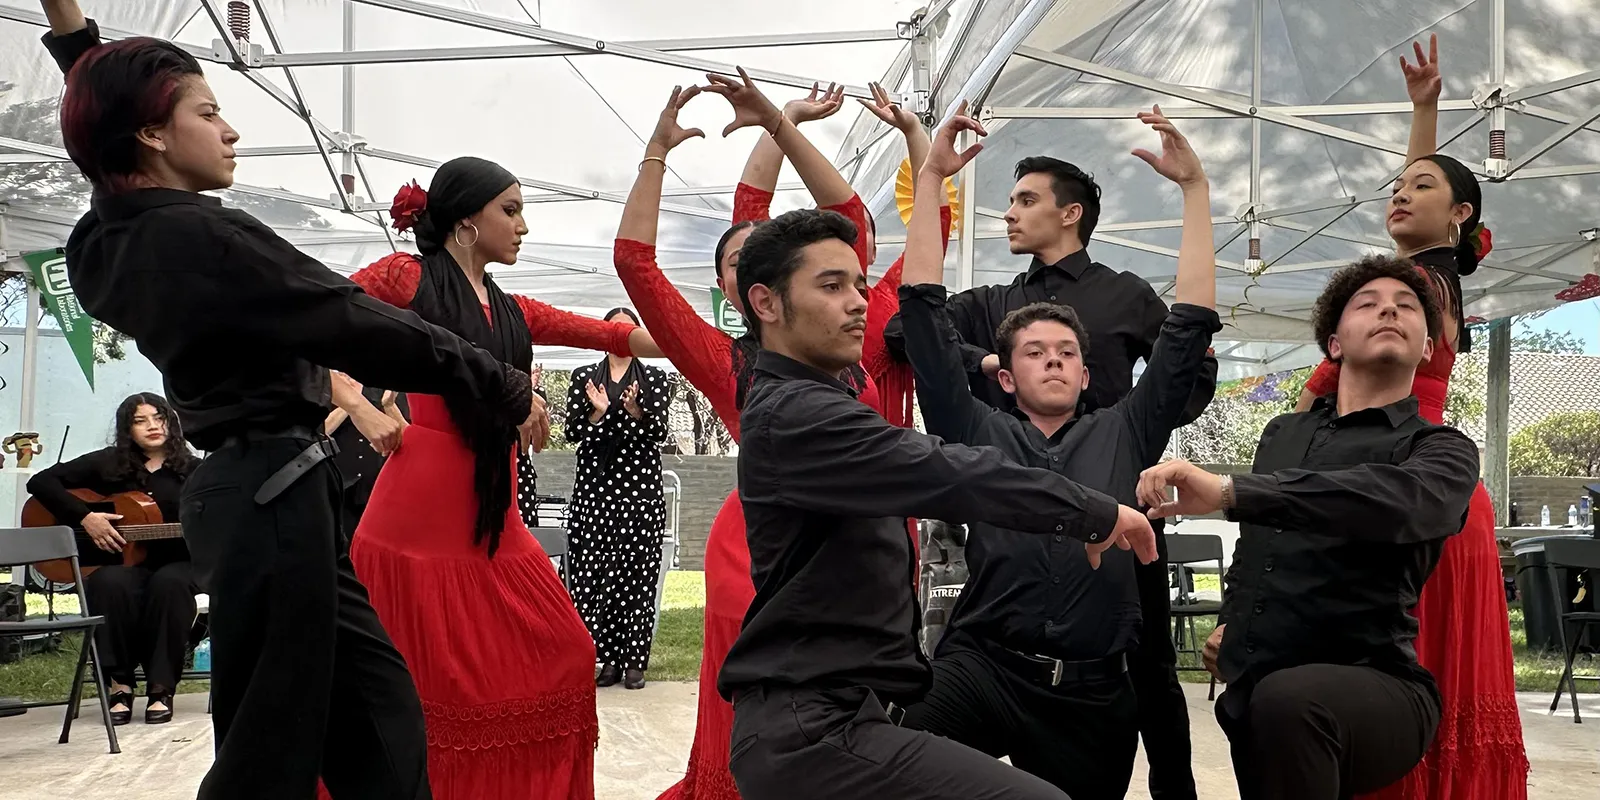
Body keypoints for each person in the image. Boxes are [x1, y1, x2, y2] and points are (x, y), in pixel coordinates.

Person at [39, 3, 536, 798]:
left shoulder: (104, 240)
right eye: (209, 111)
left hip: (267, 492)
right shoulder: (210, 241)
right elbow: (359, 322)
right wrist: (498, 380)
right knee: (270, 750)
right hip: (273, 497)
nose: (231, 129)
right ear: (152, 135)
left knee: (376, 720)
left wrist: (75, 43)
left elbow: (110, 128)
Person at [722, 195, 1161, 800]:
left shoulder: (820, 401)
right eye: (831, 286)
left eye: (858, 283)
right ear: (765, 302)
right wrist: (1094, 510)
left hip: (850, 712)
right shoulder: (799, 414)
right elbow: (951, 473)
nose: (856, 303)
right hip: (811, 729)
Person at [615, 81, 946, 800]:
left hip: (877, 551)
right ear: (747, 295)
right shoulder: (722, 361)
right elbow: (636, 264)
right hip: (762, 561)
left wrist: (781, 121)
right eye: (733, 265)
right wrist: (656, 155)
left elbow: (855, 222)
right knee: (774, 738)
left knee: (859, 737)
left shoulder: (869, 331)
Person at [895, 107, 1219, 800]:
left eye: (1068, 353)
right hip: (982, 669)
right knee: (891, 759)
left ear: (1087, 371)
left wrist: (1196, 192)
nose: (1053, 361)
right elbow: (919, 317)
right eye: (1035, 353)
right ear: (1005, 377)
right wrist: (930, 181)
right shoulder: (979, 429)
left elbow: (1189, 330)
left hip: (1090, 693)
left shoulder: (1127, 433)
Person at [338, 157, 662, 800]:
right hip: (421, 510)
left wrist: (713, 344)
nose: (523, 226)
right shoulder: (408, 277)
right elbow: (314, 318)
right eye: (510, 211)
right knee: (430, 682)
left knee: (567, 655)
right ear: (465, 220)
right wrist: (359, 407)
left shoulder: (510, 308)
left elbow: (607, 332)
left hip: (492, 503)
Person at [1141, 256, 1482, 800]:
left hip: (1381, 687)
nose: (1389, 308)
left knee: (1291, 699)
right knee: (1274, 705)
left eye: (1408, 306)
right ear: (1334, 345)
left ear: (1425, 348)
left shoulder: (1441, 449)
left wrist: (1232, 493)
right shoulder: (1283, 433)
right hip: (1262, 693)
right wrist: (1232, 630)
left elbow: (1398, 502)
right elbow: (1260, 550)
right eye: (1367, 304)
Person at [1292, 36, 1528, 800]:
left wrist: (1426, 118)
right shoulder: (1418, 280)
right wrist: (1422, 112)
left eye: (1418, 188)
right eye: (1394, 187)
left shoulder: (1424, 286)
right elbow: (1425, 212)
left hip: (1412, 494)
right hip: (1393, 486)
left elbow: (1426, 245)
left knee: (1405, 671)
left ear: (1460, 214)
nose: (1399, 194)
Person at [27, 393, 200, 726]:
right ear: (127, 429)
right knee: (108, 583)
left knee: (170, 585)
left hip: (180, 561)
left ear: (171, 423)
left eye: (158, 418)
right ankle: (119, 685)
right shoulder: (108, 463)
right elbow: (40, 482)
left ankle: (160, 688)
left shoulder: (193, 470)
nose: (152, 426)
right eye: (140, 420)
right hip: (123, 562)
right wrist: (85, 517)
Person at [565, 307, 671, 691]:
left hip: (639, 492)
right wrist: (599, 413)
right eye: (615, 328)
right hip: (595, 491)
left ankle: (634, 661)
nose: (621, 335)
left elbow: (657, 432)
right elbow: (573, 431)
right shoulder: (583, 378)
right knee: (595, 576)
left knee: (637, 575)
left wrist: (633, 411)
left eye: (628, 329)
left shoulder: (655, 378)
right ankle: (605, 659)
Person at [323, 371, 409, 539]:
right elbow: (321, 430)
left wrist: (389, 406)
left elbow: (406, 436)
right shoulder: (330, 388)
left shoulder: (390, 391)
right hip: (339, 486)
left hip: (376, 489)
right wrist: (351, 404)